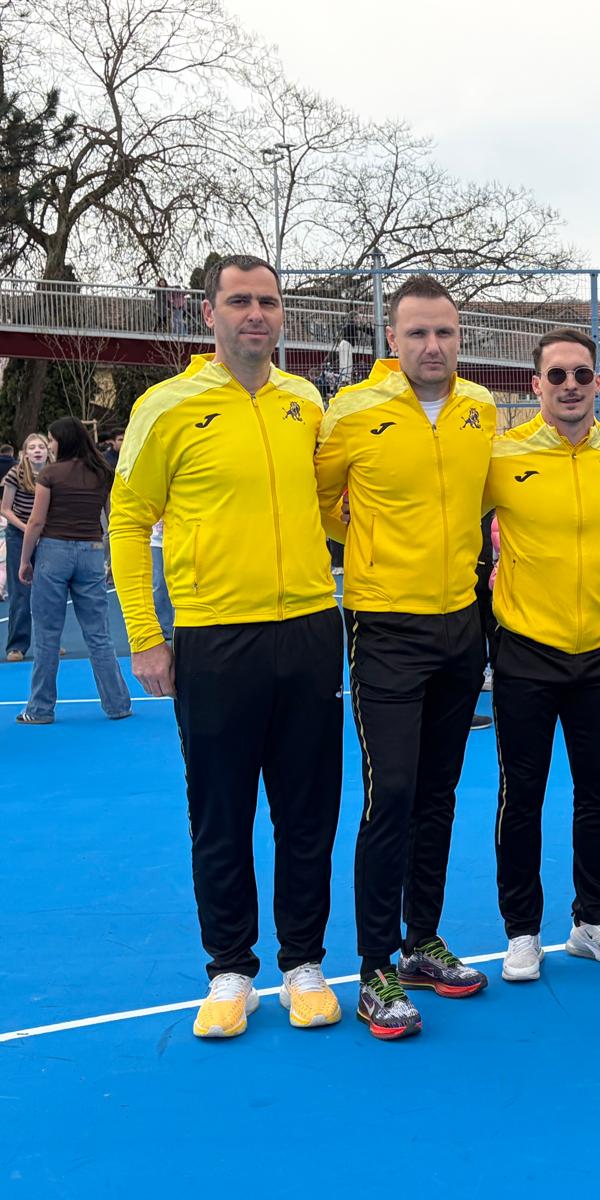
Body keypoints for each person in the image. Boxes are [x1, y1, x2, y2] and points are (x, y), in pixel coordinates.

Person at [110, 254, 344, 1039]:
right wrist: (147, 636)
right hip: (216, 636)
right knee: (221, 813)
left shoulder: (306, 402)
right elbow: (126, 521)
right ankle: (231, 970)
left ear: (282, 315)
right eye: (239, 300)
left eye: (268, 301)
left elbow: (326, 506)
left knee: (308, 812)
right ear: (208, 313)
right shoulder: (166, 406)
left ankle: (304, 963)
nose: (255, 314)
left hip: (310, 629)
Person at [314, 275, 497, 1041]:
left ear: (460, 337)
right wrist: (373, 541)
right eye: (418, 332)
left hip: (461, 625)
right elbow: (322, 500)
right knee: (389, 793)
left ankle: (422, 940)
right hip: (385, 626)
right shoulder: (353, 412)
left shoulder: (480, 408)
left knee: (437, 793)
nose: (433, 345)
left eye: (445, 332)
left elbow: (481, 500)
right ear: (393, 339)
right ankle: (374, 966)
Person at [485, 329, 600, 981]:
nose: (569, 386)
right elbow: (447, 519)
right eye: (556, 375)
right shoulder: (501, 457)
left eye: (581, 374)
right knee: (522, 796)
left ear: (598, 384)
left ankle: (594, 920)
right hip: (526, 652)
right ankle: (522, 932)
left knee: (598, 793)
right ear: (535, 385)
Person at [13, 417, 132, 724]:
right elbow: (113, 519)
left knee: (47, 635)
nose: (49, 445)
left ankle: (40, 709)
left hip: (54, 553)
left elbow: (36, 522)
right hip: (91, 551)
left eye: (51, 440)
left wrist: (25, 560)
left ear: (62, 441)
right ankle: (118, 703)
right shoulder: (102, 473)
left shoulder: (50, 474)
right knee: (99, 633)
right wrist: (111, 557)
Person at [3, 434, 50, 661]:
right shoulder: (16, 474)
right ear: (25, 453)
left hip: (46, 535)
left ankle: (49, 641)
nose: (37, 450)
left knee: (48, 590)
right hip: (19, 534)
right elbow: (5, 509)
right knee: (20, 591)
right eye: (32, 447)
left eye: (41, 446)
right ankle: (17, 646)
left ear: (48, 451)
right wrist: (27, 529)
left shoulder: (53, 473)